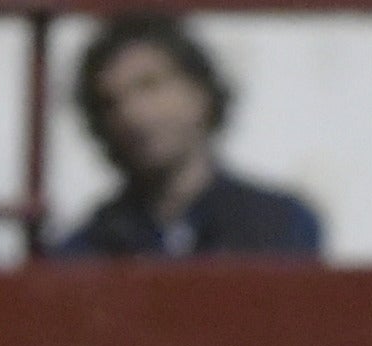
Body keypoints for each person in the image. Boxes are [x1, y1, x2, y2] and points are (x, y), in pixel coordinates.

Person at [55, 13, 321, 261]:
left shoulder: (281, 224)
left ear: (199, 91)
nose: (132, 113)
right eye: (110, 103)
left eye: (149, 85)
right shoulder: (87, 248)